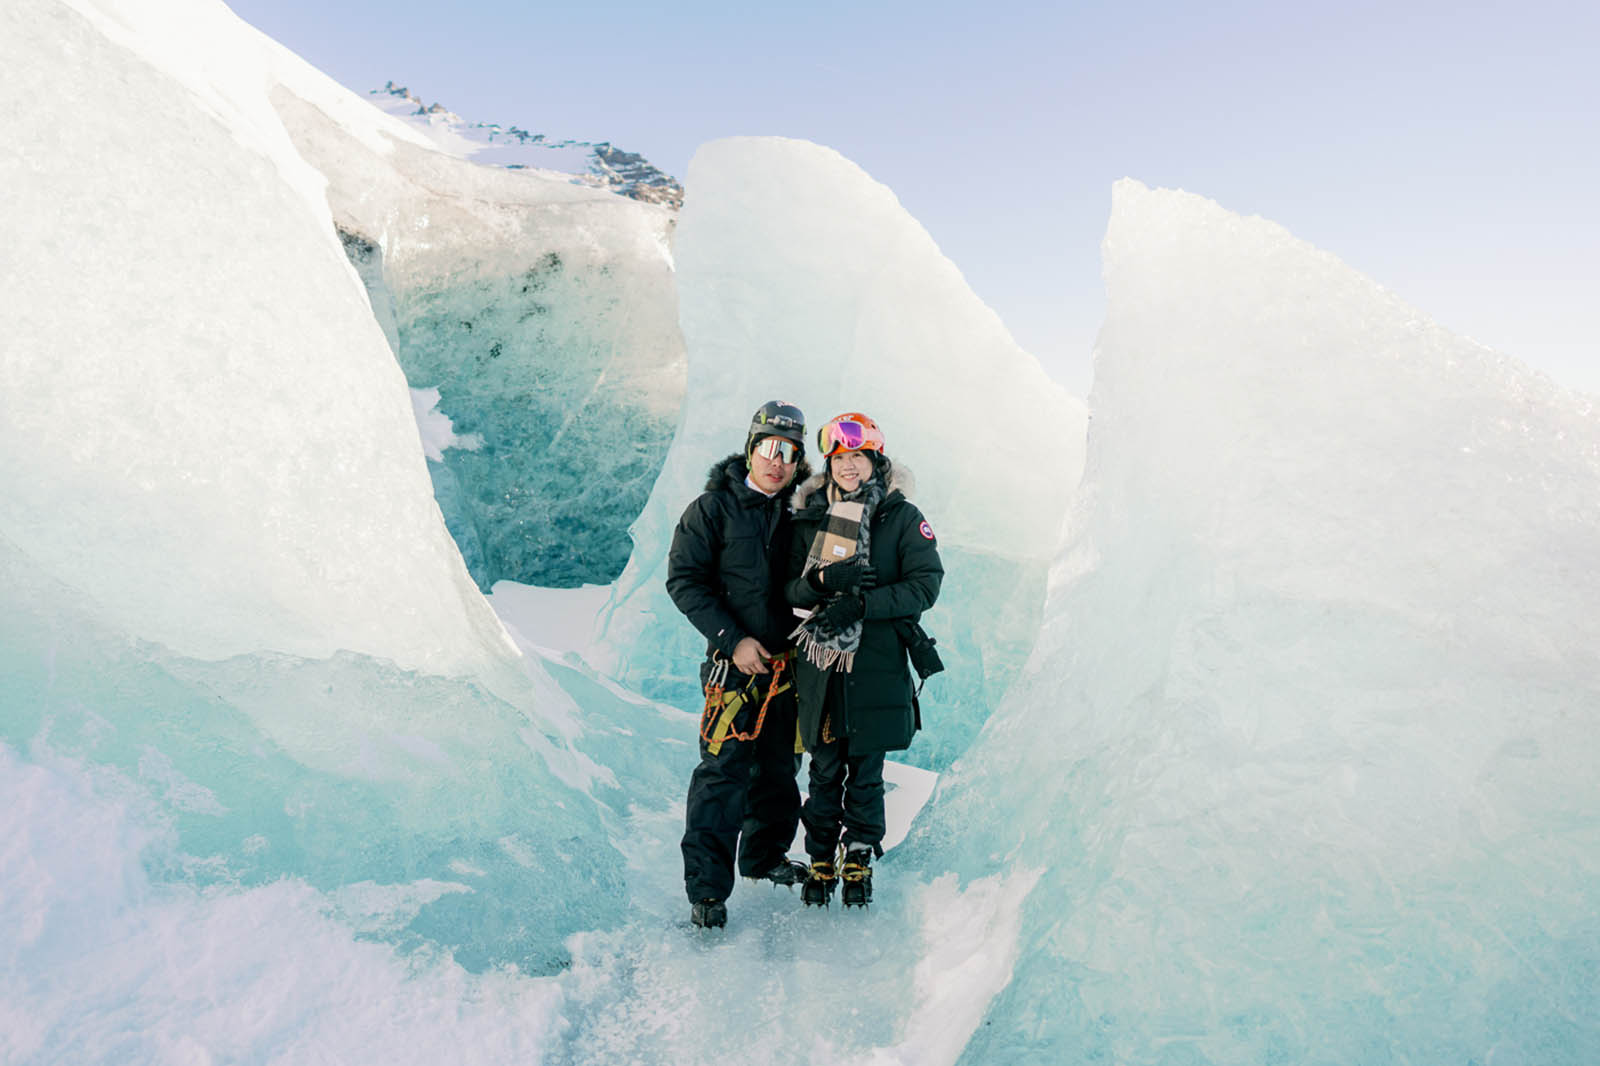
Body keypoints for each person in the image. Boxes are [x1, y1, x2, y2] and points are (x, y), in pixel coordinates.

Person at [785, 412, 943, 907]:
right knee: (825, 769)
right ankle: (820, 855)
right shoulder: (808, 518)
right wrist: (821, 585)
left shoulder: (899, 517)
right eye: (839, 458)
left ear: (874, 460)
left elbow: (924, 585)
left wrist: (864, 605)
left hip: (873, 664)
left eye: (857, 457)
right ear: (829, 465)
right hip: (820, 668)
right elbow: (787, 590)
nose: (848, 467)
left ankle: (858, 851)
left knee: (866, 767)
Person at [665, 400, 813, 929]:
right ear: (750, 450)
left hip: (789, 669)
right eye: (769, 449)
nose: (777, 462)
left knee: (779, 771)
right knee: (722, 773)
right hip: (736, 667)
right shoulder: (711, 509)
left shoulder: (803, 516)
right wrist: (732, 640)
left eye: (789, 453)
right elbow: (685, 581)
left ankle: (764, 857)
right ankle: (706, 889)